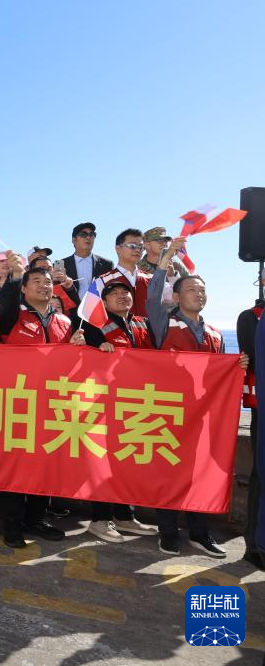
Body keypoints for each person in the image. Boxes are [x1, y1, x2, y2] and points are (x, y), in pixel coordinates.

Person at [146, 237, 247, 557]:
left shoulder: (216, 333)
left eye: (202, 290)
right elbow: (152, 297)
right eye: (192, 289)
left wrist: (238, 366)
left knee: (202, 475)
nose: (199, 294)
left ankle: (200, 533)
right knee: (168, 475)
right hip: (171, 414)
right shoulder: (164, 323)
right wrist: (166, 259)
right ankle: (167, 532)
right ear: (176, 296)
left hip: (203, 418)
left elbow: (221, 376)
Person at [0, 253, 72, 548]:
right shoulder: (13, 316)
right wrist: (15, 275)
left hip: (52, 407)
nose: (43, 285)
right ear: (24, 289)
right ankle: (12, 524)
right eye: (36, 281)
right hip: (17, 405)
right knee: (15, 467)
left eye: (47, 281)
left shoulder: (64, 321)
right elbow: (5, 304)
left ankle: (36, 519)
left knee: (46, 467)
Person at [72, 282, 159, 543]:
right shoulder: (93, 324)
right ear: (104, 301)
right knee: (104, 462)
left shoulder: (143, 323)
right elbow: (80, 354)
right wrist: (95, 347)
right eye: (114, 294)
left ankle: (125, 515)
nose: (122, 296)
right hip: (104, 404)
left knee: (128, 460)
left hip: (136, 403)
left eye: (125, 292)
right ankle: (99, 519)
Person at [238, 296, 264, 570]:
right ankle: (255, 544)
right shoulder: (251, 316)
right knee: (260, 473)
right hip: (261, 406)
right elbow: (253, 359)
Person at [94, 228, 154, 319]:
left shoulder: (152, 279)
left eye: (141, 247)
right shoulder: (101, 281)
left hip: (148, 328)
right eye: (132, 246)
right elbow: (92, 315)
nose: (138, 250)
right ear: (118, 248)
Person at [60, 222, 114, 309]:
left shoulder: (106, 264)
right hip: (70, 313)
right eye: (83, 234)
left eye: (92, 234)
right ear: (74, 240)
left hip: (98, 311)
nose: (88, 237)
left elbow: (110, 290)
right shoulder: (62, 265)